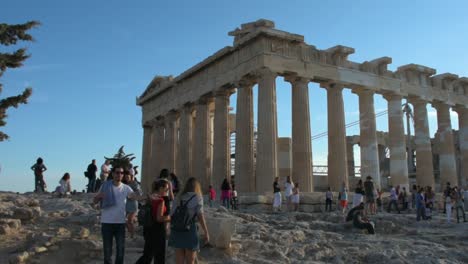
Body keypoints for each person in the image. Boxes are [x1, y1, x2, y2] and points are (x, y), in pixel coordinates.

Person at [93, 165, 139, 264]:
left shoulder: (126, 188)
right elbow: (95, 201)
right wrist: (98, 197)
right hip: (106, 223)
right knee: (107, 250)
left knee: (120, 250)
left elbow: (135, 197)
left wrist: (147, 197)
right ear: (113, 174)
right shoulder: (105, 186)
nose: (120, 174)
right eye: (117, 172)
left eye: (122, 173)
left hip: (120, 223)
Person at [168, 177, 209, 264]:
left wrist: (168, 228)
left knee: (179, 261)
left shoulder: (178, 197)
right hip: (190, 229)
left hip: (177, 229)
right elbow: (200, 215)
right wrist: (206, 231)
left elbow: (171, 214)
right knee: (190, 261)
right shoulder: (197, 197)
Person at [136, 180, 171, 264]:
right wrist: (171, 218)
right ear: (161, 188)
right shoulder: (161, 200)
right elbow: (159, 218)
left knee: (147, 255)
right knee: (159, 256)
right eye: (166, 189)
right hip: (158, 229)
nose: (167, 192)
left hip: (148, 228)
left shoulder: (149, 197)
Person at [123, 170, 142, 238]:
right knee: (123, 221)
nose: (126, 178)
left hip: (133, 204)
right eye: (125, 177)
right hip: (126, 204)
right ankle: (130, 233)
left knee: (130, 221)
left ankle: (132, 235)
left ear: (131, 176)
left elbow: (139, 193)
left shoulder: (134, 184)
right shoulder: (125, 185)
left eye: (127, 177)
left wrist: (132, 196)